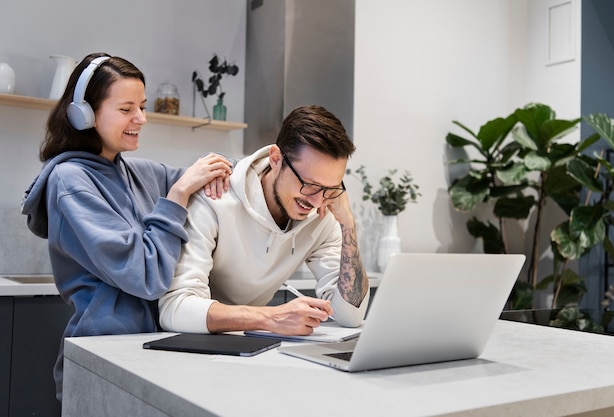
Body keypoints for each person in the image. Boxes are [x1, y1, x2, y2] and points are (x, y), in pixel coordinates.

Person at [20, 52, 233, 402]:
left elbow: (221, 178)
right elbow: (146, 277)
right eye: (126, 109)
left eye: (143, 107)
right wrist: (179, 194)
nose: (141, 118)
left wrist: (266, 168)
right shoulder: (70, 181)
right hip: (104, 356)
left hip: (153, 350)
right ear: (83, 113)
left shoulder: (136, 171)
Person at [159, 105, 369, 336]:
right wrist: (271, 317)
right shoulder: (216, 197)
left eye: (330, 188)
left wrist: (348, 224)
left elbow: (351, 316)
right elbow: (175, 309)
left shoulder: (322, 215)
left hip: (253, 342)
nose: (317, 201)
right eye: (309, 184)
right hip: (194, 345)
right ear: (276, 158)